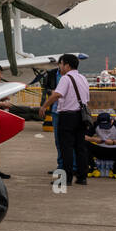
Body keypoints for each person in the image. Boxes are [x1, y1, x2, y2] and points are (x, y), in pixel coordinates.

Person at [38, 54, 90, 185]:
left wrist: (44, 106)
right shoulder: (83, 78)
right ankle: (82, 177)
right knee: (80, 147)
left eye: (60, 64)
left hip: (68, 116)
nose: (59, 67)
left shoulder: (65, 78)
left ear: (67, 65)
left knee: (65, 147)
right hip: (81, 116)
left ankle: (65, 179)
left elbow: (57, 95)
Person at [85, 111, 116, 178]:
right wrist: (95, 140)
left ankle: (115, 169)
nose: (105, 128)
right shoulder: (95, 124)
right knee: (83, 144)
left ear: (111, 121)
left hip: (115, 150)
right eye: (102, 126)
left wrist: (114, 142)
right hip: (101, 150)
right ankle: (93, 168)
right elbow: (84, 136)